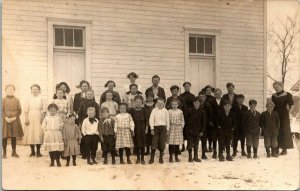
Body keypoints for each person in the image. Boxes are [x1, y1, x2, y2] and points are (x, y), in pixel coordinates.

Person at [23, 84, 46, 157]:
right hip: (30, 115)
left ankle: (38, 151)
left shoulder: (42, 98)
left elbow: (44, 109)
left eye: (36, 89)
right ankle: (32, 151)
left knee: (38, 133)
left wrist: (43, 118)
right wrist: (26, 118)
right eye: (33, 89)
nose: (35, 90)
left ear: (39, 90)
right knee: (31, 133)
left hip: (39, 116)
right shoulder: (28, 98)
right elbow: (26, 109)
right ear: (31, 90)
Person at [271, 81, 294, 155]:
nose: (276, 89)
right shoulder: (273, 96)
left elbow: (292, 105)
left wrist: (288, 113)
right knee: (276, 130)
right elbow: (272, 105)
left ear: (281, 86)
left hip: (284, 115)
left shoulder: (288, 95)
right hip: (275, 114)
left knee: (284, 131)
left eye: (277, 87)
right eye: (274, 88)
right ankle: (276, 148)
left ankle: (284, 149)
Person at [2, 84, 24, 159]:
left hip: (15, 120)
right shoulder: (3, 99)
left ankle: (14, 152)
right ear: (6, 90)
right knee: (4, 136)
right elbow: (1, 110)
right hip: (5, 119)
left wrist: (14, 117)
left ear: (14, 90)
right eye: (8, 89)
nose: (10, 91)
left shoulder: (17, 100)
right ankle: (4, 152)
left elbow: (20, 110)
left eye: (12, 89)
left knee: (13, 136)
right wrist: (5, 117)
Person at [77, 89, 100, 159]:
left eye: (91, 94)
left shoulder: (95, 104)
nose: (89, 96)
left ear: (93, 95)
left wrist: (96, 121)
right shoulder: (82, 103)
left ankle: (93, 153)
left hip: (93, 121)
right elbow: (79, 113)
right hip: (84, 120)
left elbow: (98, 114)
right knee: (84, 138)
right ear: (86, 95)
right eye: (88, 94)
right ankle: (84, 153)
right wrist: (80, 123)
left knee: (92, 139)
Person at [149, 98, 170, 164]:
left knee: (162, 142)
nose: (160, 104)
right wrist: (152, 128)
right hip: (156, 128)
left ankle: (161, 157)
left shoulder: (165, 111)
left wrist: (167, 129)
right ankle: (152, 158)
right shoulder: (154, 110)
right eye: (158, 103)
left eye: (161, 103)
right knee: (154, 142)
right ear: (156, 103)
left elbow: (167, 121)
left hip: (163, 128)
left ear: (164, 103)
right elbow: (151, 119)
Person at [185, 97, 206, 162]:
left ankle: (195, 156)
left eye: (197, 103)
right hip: (190, 131)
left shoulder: (202, 112)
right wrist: (187, 130)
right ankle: (190, 157)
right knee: (190, 144)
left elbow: (204, 123)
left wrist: (202, 131)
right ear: (193, 103)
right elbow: (186, 121)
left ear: (200, 103)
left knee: (196, 144)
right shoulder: (189, 110)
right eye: (194, 103)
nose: (196, 104)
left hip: (198, 131)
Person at [129, 95, 147, 164]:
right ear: (134, 102)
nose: (138, 103)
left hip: (142, 128)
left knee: (142, 144)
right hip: (135, 128)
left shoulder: (144, 109)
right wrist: (131, 130)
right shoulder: (132, 110)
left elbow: (147, 120)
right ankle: (138, 158)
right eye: (137, 102)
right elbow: (130, 120)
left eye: (140, 102)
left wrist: (146, 128)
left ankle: (142, 158)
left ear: (142, 103)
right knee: (136, 143)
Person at [179, 82, 196, 152]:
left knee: (189, 131)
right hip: (182, 115)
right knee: (182, 131)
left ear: (190, 87)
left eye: (188, 86)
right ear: (184, 87)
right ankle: (182, 146)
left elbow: (193, 106)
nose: (187, 87)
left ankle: (189, 145)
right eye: (185, 86)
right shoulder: (181, 96)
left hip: (190, 116)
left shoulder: (192, 96)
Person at [167, 98, 185, 163]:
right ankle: (170, 157)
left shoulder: (180, 111)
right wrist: (168, 127)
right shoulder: (169, 111)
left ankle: (176, 156)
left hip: (178, 128)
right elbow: (167, 120)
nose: (174, 105)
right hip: (171, 128)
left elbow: (182, 120)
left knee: (177, 144)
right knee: (171, 144)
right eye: (173, 104)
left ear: (178, 105)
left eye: (175, 104)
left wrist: (182, 126)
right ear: (171, 105)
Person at [203, 85, 219, 158]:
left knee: (211, 134)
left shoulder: (213, 98)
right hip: (204, 118)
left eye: (209, 90)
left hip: (210, 119)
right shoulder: (203, 98)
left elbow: (214, 111)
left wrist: (211, 120)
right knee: (205, 134)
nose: (208, 91)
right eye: (207, 90)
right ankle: (205, 146)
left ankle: (210, 146)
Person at [198, 90, 213, 159]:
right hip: (197, 125)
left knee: (204, 140)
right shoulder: (196, 104)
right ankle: (195, 154)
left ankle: (203, 154)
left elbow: (211, 115)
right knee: (196, 140)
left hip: (205, 125)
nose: (202, 98)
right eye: (200, 96)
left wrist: (208, 121)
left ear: (205, 97)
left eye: (203, 96)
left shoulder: (208, 105)